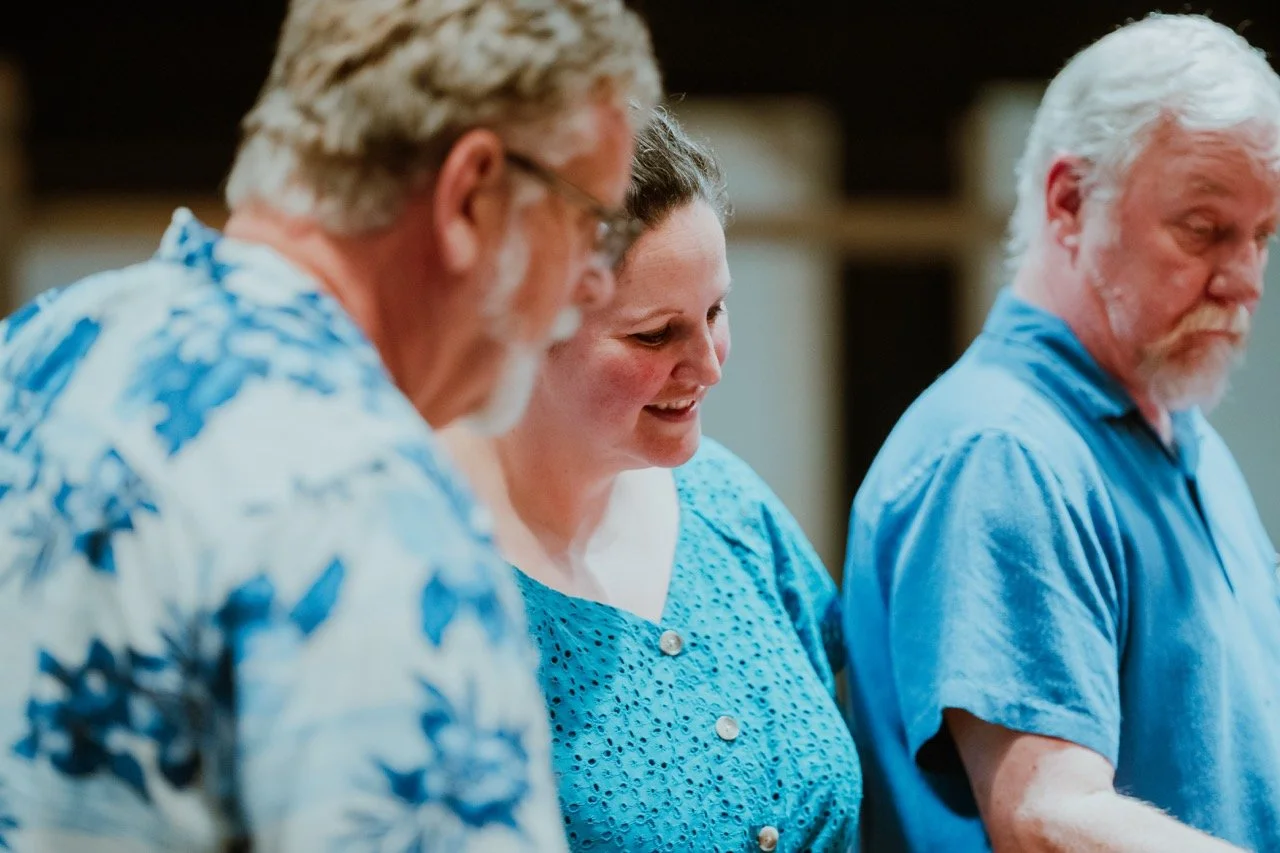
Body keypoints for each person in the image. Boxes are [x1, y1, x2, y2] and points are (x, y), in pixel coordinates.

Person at [0, 1, 660, 850]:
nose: (598, 283)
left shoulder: (42, 351)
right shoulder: (371, 506)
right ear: (472, 197)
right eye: (590, 224)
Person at [843, 12, 1280, 853]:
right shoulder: (1003, 453)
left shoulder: (1177, 428)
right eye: (1204, 228)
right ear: (1070, 200)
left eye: (1262, 236)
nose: (1246, 280)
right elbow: (1048, 818)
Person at [440, 106, 862, 853]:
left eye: (716, 310)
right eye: (655, 333)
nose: (709, 364)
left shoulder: (728, 503)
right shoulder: (427, 580)